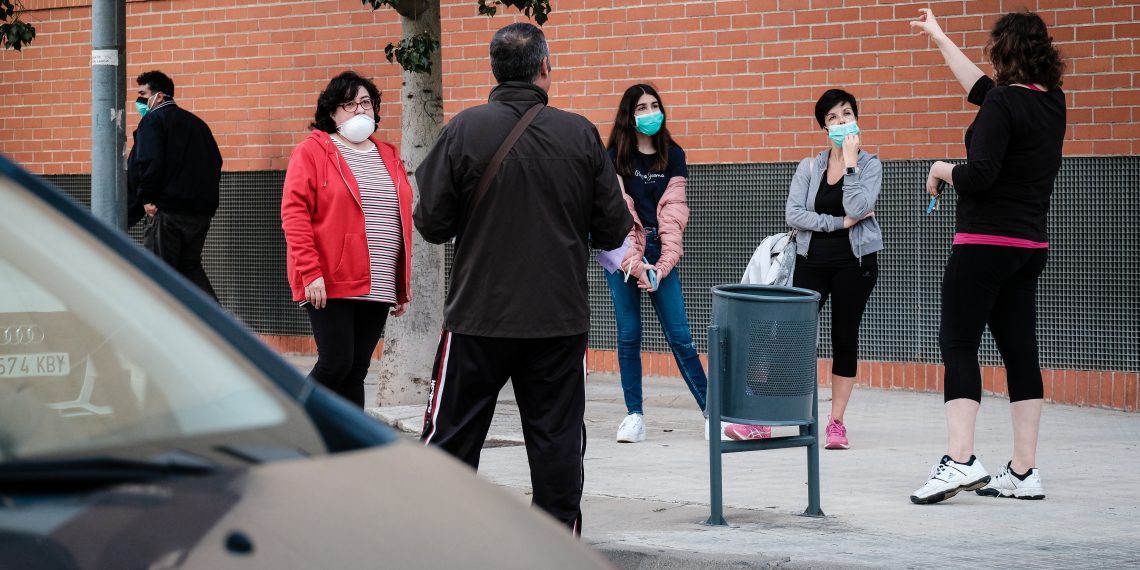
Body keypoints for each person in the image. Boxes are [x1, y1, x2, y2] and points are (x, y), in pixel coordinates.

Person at [414, 23, 632, 534]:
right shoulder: (579, 133)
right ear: (545, 68)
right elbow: (612, 229)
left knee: (451, 441)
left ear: (494, 70)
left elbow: (431, 224)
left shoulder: (463, 130)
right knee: (556, 446)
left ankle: (432, 546)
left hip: (477, 318)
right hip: (557, 321)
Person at [908, 9, 1065, 504]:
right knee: (1020, 352)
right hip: (1029, 247)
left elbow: (980, 176)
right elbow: (979, 88)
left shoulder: (1002, 104)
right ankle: (1023, 472)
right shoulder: (1052, 102)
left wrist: (939, 167)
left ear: (1004, 52)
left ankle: (959, 460)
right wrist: (939, 38)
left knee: (957, 343)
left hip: (983, 245)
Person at [603, 84, 752, 443]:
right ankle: (634, 415)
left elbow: (674, 213)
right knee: (628, 336)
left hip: (661, 248)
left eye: (655, 106)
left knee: (681, 337)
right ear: (629, 115)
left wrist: (663, 264)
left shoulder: (674, 155)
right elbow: (612, 214)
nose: (651, 112)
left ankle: (712, 414)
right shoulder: (612, 157)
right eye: (642, 107)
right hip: (622, 252)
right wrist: (636, 265)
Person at [280, 71, 413, 408]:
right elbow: (294, 214)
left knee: (356, 370)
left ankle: (348, 450)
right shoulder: (312, 151)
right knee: (335, 363)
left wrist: (400, 284)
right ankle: (292, 428)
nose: (359, 110)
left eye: (366, 103)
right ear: (332, 113)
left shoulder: (388, 153)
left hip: (378, 280)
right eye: (349, 104)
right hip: (330, 280)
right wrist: (310, 272)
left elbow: (397, 217)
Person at [784, 89, 882, 450]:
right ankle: (786, 412)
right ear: (823, 127)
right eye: (833, 118)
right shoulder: (810, 167)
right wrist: (841, 223)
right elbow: (794, 214)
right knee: (792, 336)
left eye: (846, 115)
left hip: (854, 264)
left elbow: (861, 202)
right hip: (810, 260)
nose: (842, 123)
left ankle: (836, 423)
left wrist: (852, 163)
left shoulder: (870, 165)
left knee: (844, 338)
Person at [127, 70, 223, 301]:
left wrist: (146, 198)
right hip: (200, 214)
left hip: (167, 213)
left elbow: (149, 161)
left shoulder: (152, 121)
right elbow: (215, 161)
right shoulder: (198, 125)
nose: (139, 101)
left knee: (157, 275)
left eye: (143, 94)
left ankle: (157, 331)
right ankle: (218, 321)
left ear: (159, 96)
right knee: (188, 266)